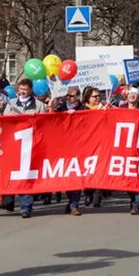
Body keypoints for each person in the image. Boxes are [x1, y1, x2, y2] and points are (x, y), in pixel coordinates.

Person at [3, 78, 47, 218]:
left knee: (26, 176)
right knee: (11, 173)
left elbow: (45, 124)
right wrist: (10, 116)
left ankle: (26, 206)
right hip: (13, 144)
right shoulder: (11, 103)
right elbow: (3, 121)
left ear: (30, 91)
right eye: (21, 89)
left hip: (30, 146)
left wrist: (36, 118)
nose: (23, 92)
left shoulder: (39, 105)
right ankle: (8, 199)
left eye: (26, 90)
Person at [55, 86, 84, 216]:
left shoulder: (83, 109)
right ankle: (70, 201)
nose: (68, 98)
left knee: (77, 177)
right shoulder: (60, 108)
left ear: (77, 96)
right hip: (64, 147)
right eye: (67, 95)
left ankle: (74, 205)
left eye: (71, 96)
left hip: (80, 146)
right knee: (67, 177)